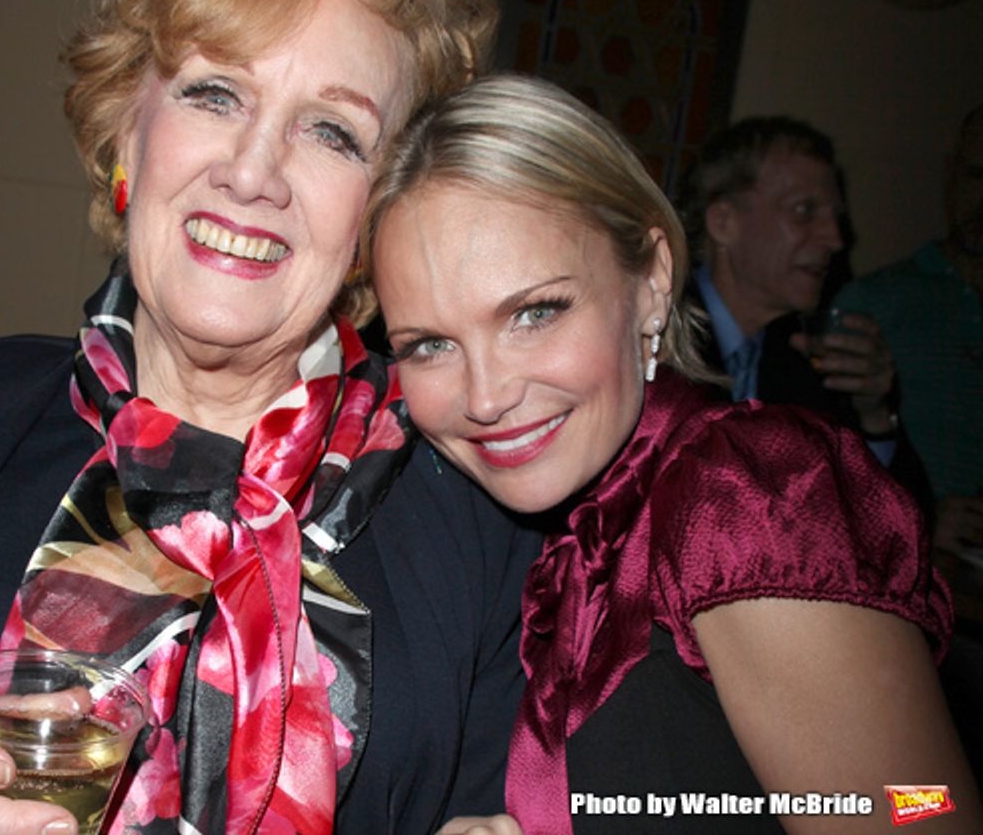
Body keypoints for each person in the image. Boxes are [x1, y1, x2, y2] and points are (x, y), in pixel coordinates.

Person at [0, 0, 543, 835]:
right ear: (126, 134)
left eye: (332, 133)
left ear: (383, 217)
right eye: (216, 94)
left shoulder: (486, 525)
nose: (254, 171)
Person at [362, 75, 979, 834]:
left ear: (651, 281)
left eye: (534, 312)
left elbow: (926, 812)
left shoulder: (745, 494)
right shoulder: (546, 522)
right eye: (429, 344)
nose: (485, 397)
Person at [674, 117, 934, 519]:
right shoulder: (654, 336)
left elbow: (894, 523)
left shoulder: (807, 352)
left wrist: (875, 413)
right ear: (724, 222)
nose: (835, 239)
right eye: (804, 211)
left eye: (834, 216)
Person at [833, 104, 983, 552]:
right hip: (897, 569)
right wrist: (921, 516)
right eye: (977, 175)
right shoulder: (874, 303)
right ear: (950, 175)